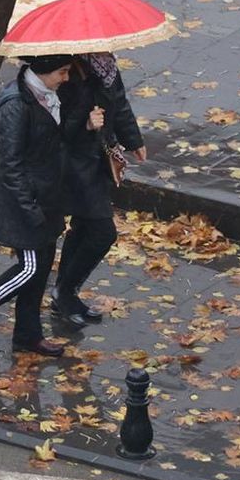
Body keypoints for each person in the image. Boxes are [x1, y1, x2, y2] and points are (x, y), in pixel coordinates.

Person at [0, 54, 97, 356]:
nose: (66, 78)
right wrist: (29, 206)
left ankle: (28, 335)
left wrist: (85, 124)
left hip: (47, 199)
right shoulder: (17, 106)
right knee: (30, 269)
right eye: (62, 72)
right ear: (44, 70)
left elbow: (54, 140)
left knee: (41, 269)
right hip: (26, 203)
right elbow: (11, 164)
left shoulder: (47, 96)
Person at [51, 52, 146, 329]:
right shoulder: (67, 72)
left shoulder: (106, 66)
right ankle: (65, 291)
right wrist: (86, 123)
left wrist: (133, 139)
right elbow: (56, 126)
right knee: (103, 232)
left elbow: (119, 101)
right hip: (75, 167)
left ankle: (63, 292)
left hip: (96, 161)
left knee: (83, 227)